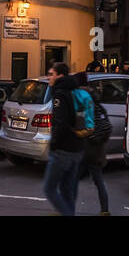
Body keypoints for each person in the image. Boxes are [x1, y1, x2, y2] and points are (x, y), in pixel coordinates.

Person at [40, 62, 84, 215]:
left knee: (49, 189)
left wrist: (54, 143)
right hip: (77, 147)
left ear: (60, 76)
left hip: (63, 149)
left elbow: (60, 122)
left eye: (51, 74)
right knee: (67, 191)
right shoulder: (75, 90)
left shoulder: (60, 94)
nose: (48, 77)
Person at [74, 73, 111, 215]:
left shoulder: (82, 100)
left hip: (85, 148)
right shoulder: (95, 100)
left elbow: (81, 124)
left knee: (71, 179)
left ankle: (65, 208)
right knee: (99, 181)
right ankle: (105, 211)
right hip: (96, 149)